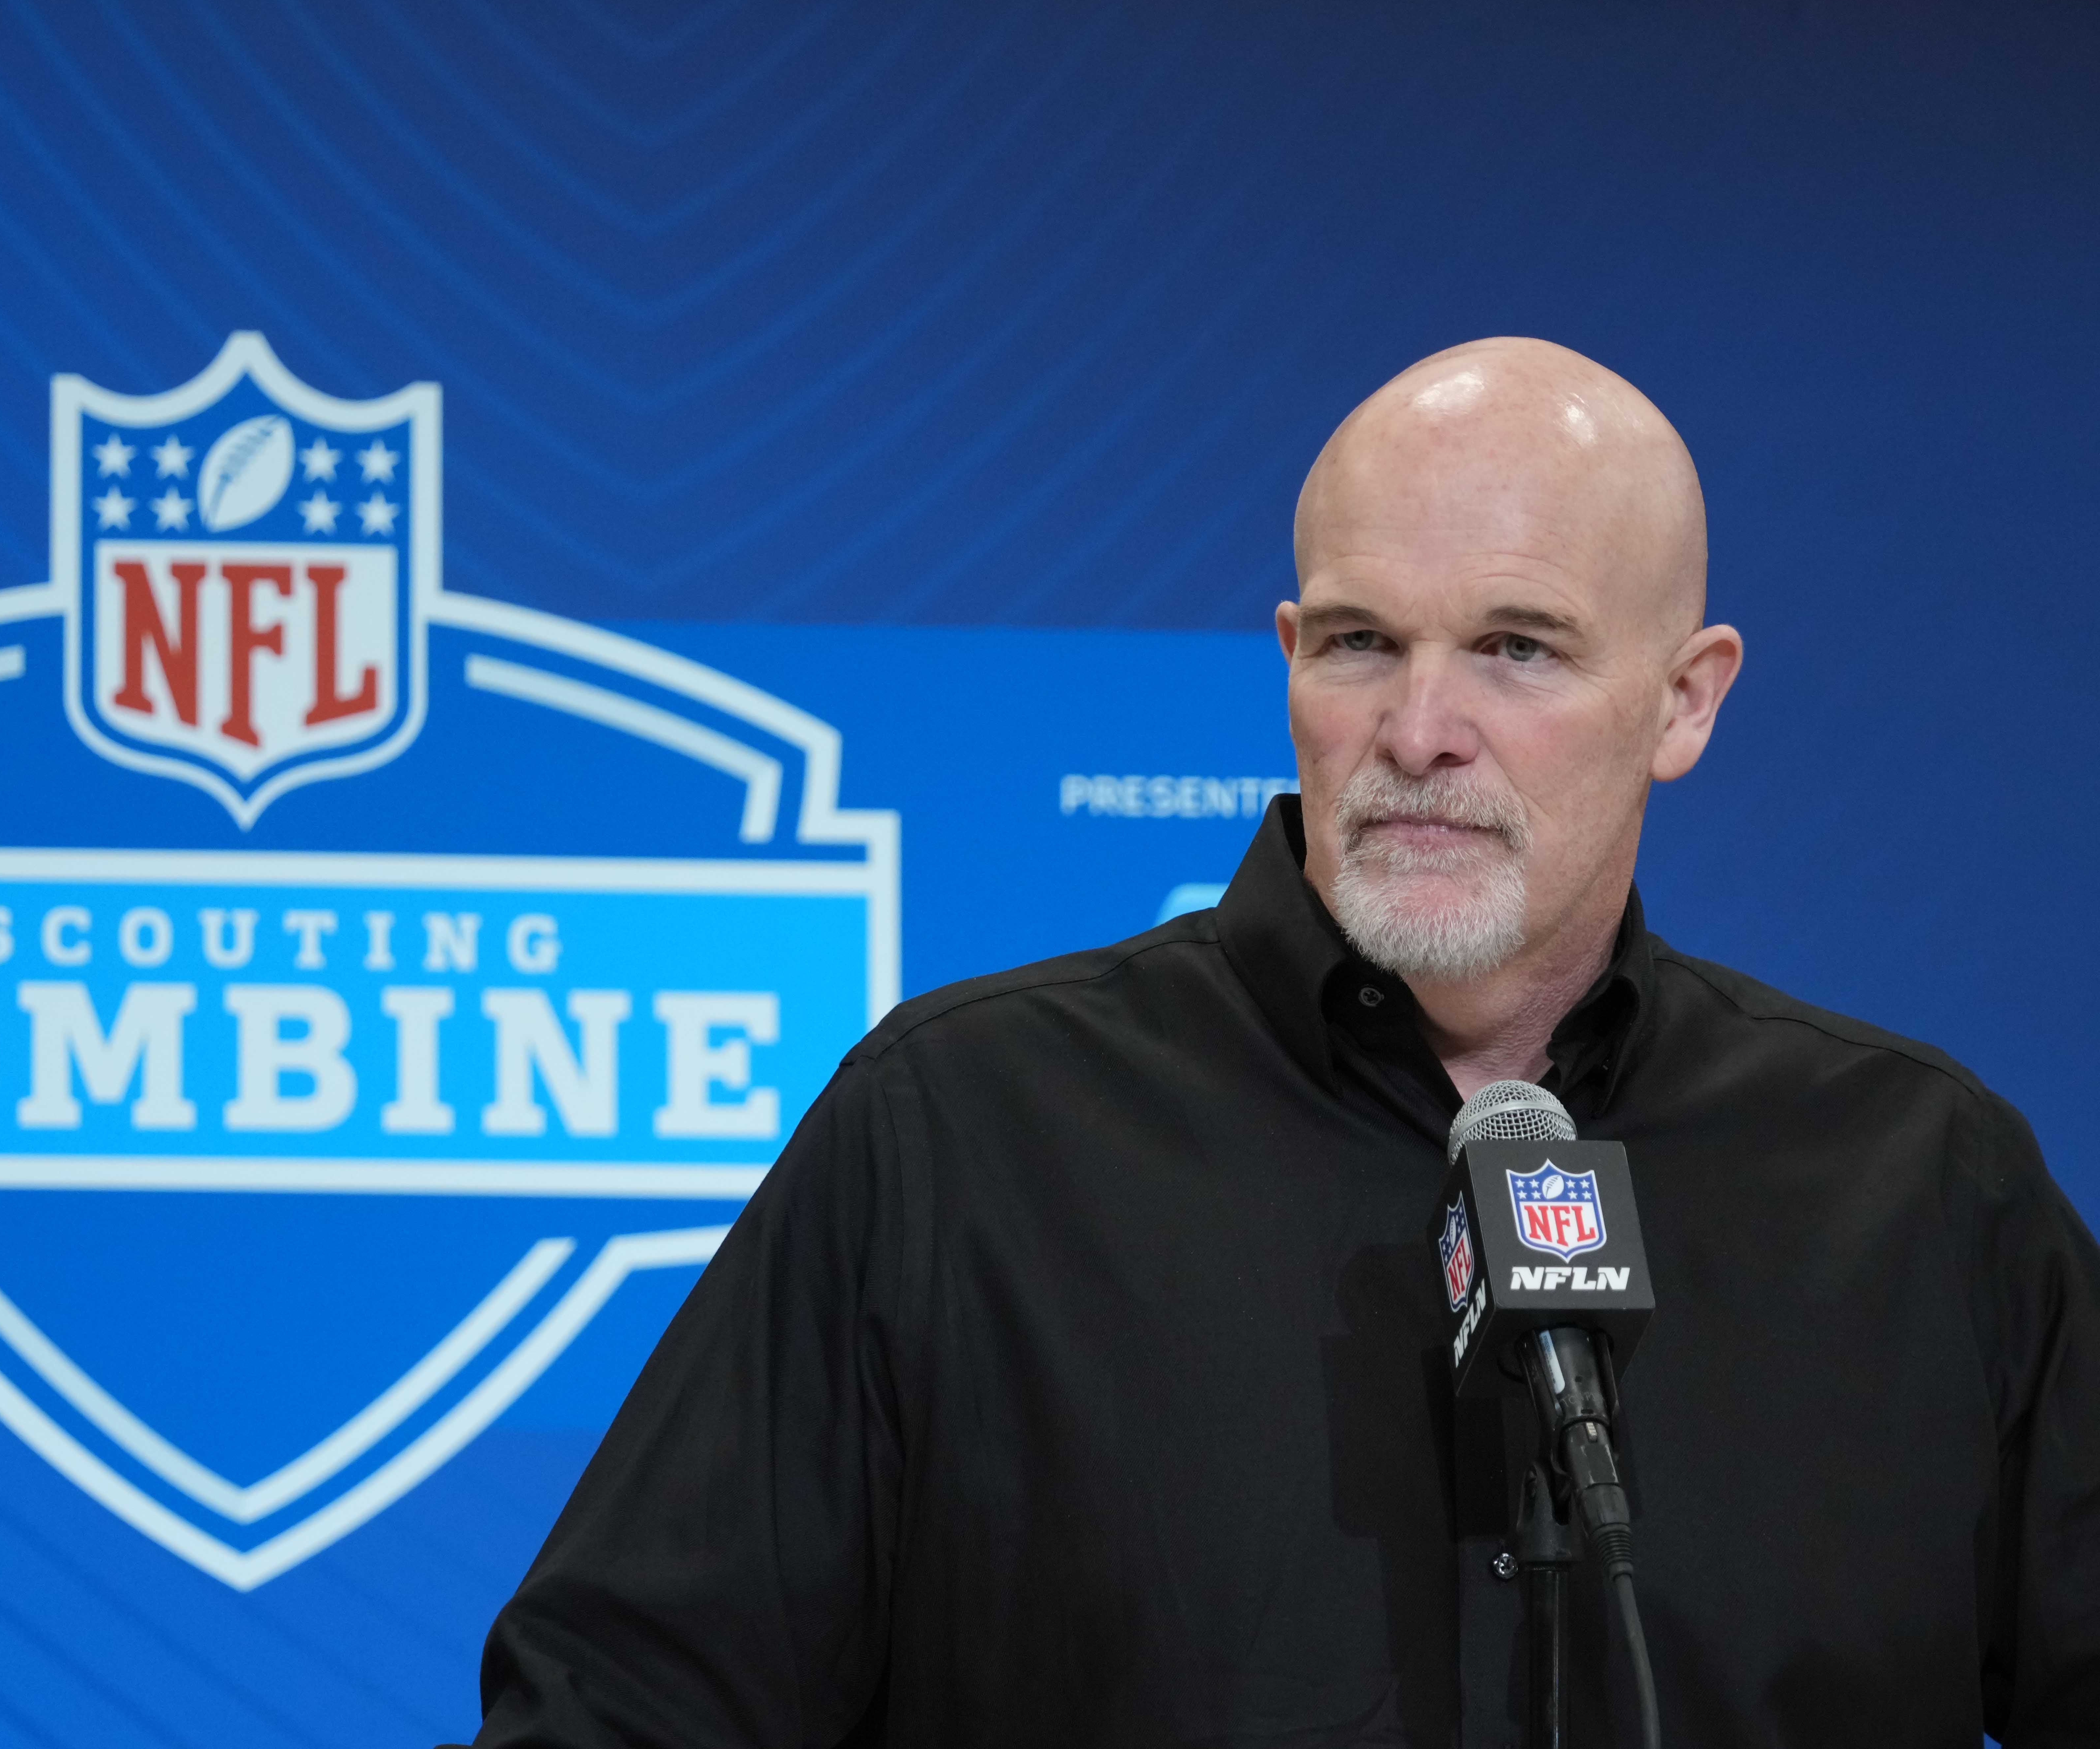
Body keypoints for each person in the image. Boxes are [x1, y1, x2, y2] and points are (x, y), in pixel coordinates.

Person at [461, 340, 2100, 1745]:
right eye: (1361, 641)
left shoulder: (1921, 1188)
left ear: (1688, 699)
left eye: (1517, 648)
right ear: (1289, 659)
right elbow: (612, 1706)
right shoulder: (961, 1133)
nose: (1418, 729)